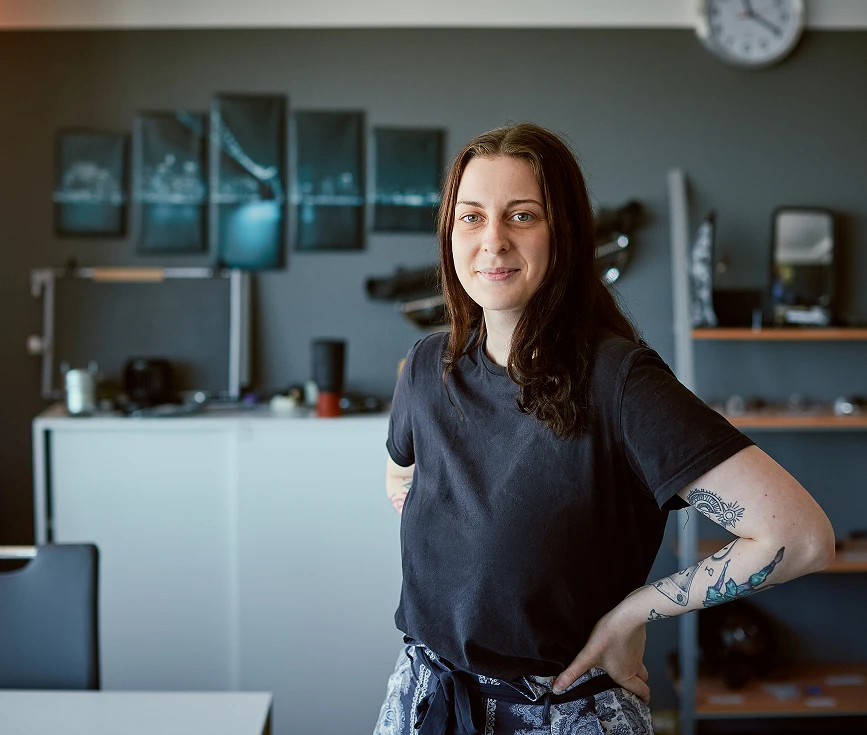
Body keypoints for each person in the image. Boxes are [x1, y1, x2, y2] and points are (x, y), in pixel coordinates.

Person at [374, 123, 835, 735]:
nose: (493, 241)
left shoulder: (620, 383)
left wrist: (630, 615)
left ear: (563, 233)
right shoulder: (427, 367)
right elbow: (401, 473)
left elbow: (799, 537)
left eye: (521, 215)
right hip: (426, 701)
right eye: (471, 216)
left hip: (559, 711)